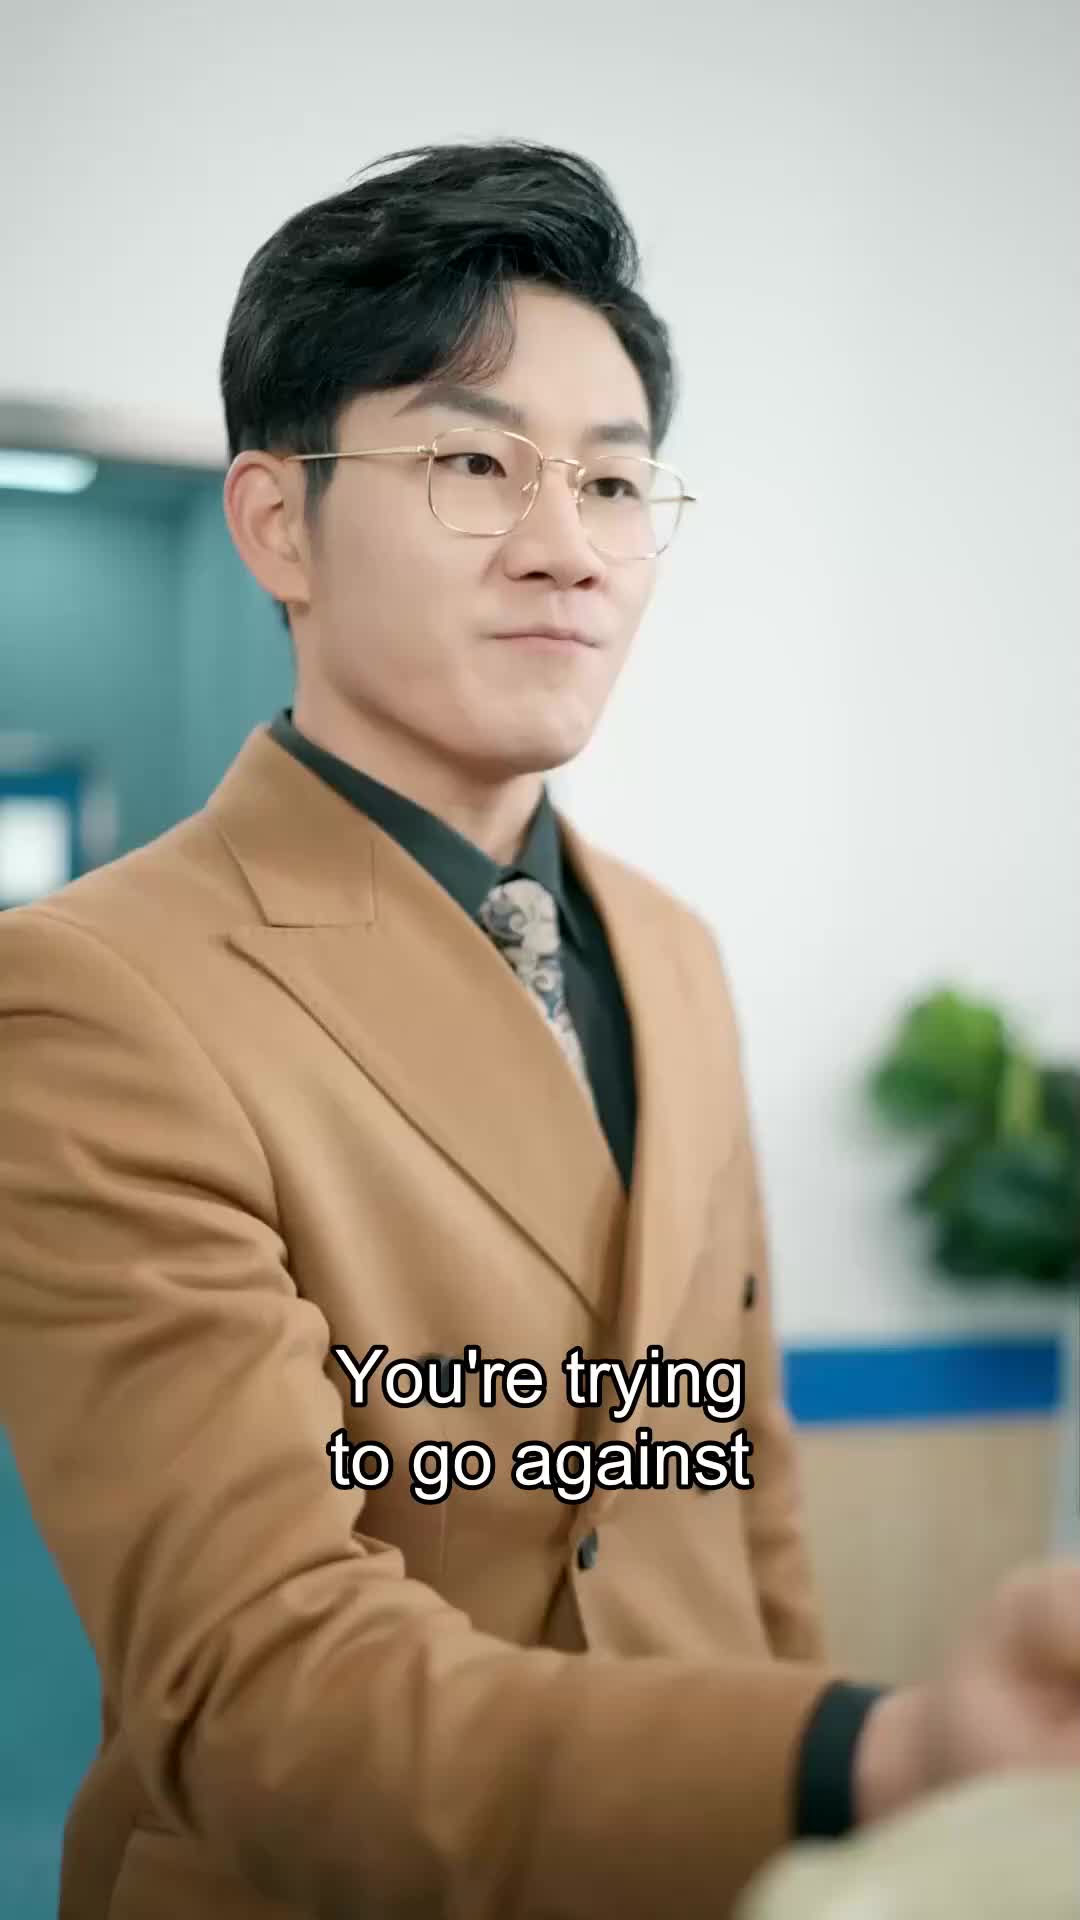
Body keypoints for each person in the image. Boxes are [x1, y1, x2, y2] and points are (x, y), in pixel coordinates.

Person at [0, 141, 1077, 1920]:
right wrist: (871, 1759)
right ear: (277, 524)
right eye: (472, 463)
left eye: (615, 481)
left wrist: (823, 1842)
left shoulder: (670, 953)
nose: (567, 548)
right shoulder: (94, 994)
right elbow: (260, 1687)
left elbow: (737, 1481)